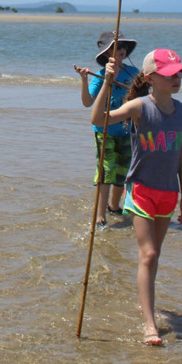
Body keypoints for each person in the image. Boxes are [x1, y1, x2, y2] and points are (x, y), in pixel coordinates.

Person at [90, 48, 182, 347]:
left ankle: (144, 301)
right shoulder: (139, 107)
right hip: (142, 191)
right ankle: (150, 325)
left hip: (168, 194)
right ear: (150, 78)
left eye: (180, 74)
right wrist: (107, 82)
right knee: (147, 255)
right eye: (170, 75)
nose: (177, 80)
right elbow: (98, 118)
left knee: (154, 256)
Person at [74, 32, 138, 229]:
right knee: (106, 171)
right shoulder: (100, 76)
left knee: (123, 172)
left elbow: (143, 97)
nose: (122, 50)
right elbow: (87, 103)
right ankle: (100, 216)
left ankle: (114, 206)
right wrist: (84, 80)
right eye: (117, 47)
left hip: (128, 130)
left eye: (123, 46)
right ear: (106, 53)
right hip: (105, 130)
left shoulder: (133, 73)